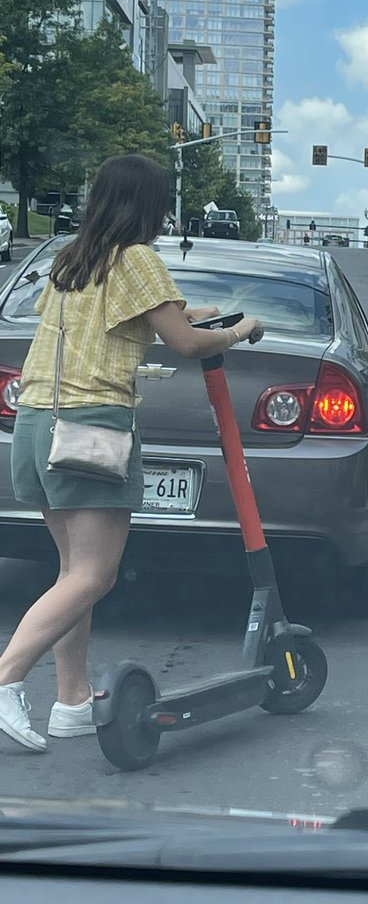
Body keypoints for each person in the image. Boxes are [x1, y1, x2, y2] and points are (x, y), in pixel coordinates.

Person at [0, 153, 261, 753]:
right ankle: (9, 677)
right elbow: (186, 342)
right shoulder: (137, 258)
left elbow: (151, 317)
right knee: (96, 573)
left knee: (73, 574)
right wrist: (239, 331)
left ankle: (71, 699)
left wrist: (199, 312)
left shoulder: (75, 256)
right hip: (93, 423)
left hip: (39, 421)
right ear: (150, 205)